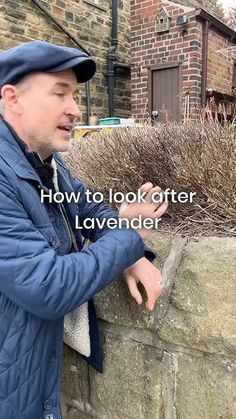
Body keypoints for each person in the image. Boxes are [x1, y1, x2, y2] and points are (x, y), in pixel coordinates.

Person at [0, 41, 168, 419]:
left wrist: (132, 254)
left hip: (31, 384)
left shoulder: (47, 163)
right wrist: (131, 236)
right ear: (13, 98)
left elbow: (90, 210)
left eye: (75, 95)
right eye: (60, 93)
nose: (76, 109)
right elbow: (50, 286)